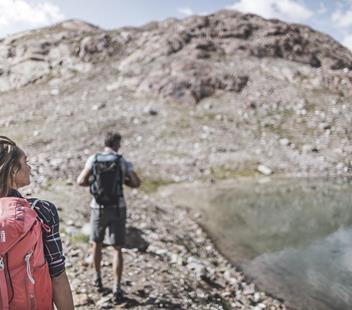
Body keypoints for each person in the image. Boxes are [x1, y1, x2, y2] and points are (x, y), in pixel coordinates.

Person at [0, 136, 74, 310]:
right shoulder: (41, 210)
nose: (30, 167)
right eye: (25, 161)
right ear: (12, 171)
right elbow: (57, 275)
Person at [77, 131, 141, 303]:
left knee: (96, 243)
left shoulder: (94, 159)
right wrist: (123, 182)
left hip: (98, 207)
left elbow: (80, 181)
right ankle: (116, 287)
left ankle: (97, 279)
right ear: (117, 144)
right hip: (118, 208)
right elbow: (136, 182)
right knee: (117, 248)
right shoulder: (122, 161)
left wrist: (95, 184)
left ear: (105, 143)